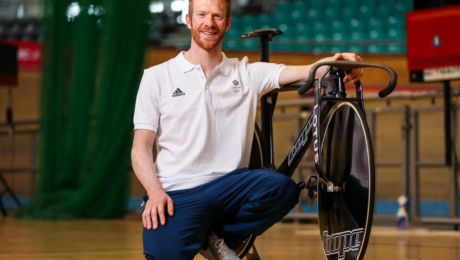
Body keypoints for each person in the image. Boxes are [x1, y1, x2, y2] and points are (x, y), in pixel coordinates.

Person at [131, 0, 364, 259]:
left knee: (282, 189)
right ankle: (208, 234)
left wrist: (340, 60)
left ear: (228, 23)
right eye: (202, 15)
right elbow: (140, 148)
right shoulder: (156, 77)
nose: (209, 22)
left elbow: (306, 71)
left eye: (217, 16)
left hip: (231, 188)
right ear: (188, 20)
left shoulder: (246, 72)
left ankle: (216, 239)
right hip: (178, 193)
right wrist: (154, 192)